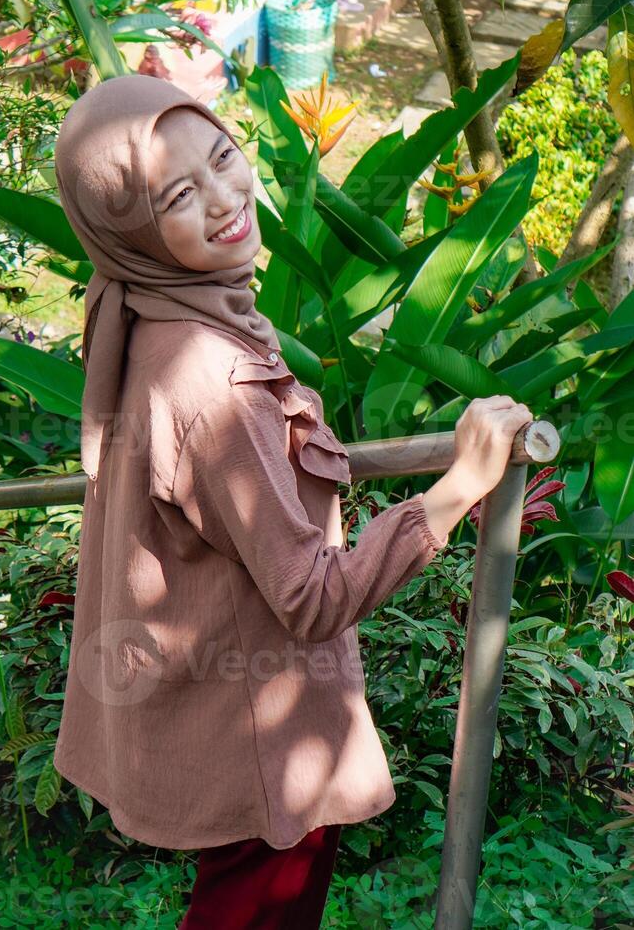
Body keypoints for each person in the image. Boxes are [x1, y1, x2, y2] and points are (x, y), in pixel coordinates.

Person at [52, 74, 533, 928]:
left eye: (225, 157)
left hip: (229, 721)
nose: (227, 197)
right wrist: (459, 486)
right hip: (260, 746)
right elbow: (311, 596)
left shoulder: (156, 313)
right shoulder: (212, 380)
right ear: (129, 228)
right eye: (178, 195)